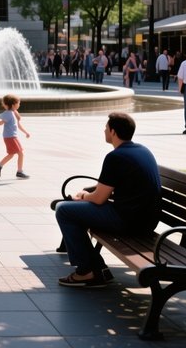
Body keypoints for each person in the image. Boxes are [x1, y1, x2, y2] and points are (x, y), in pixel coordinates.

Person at [55, 112, 160, 287]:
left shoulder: (116, 157)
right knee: (74, 210)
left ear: (113, 131)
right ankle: (96, 268)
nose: (104, 130)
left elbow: (99, 198)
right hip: (145, 220)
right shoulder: (142, 150)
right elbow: (108, 187)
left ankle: (87, 271)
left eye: (106, 128)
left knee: (64, 210)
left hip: (129, 221)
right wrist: (87, 196)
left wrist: (82, 197)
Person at [0, 94, 30, 179]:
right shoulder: (8, 113)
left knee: (12, 154)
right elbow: (0, 123)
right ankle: (19, 172)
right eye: (18, 103)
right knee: (20, 153)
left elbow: (18, 125)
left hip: (12, 137)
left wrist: (25, 132)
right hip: (10, 137)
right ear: (13, 105)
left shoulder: (13, 112)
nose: (19, 105)